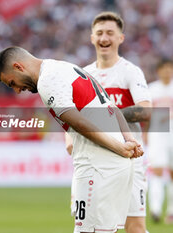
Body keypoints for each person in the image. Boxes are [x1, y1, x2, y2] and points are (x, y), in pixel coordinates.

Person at [0, 46, 143, 233]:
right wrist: (128, 140)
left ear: (18, 67)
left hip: (97, 165)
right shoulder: (64, 67)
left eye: (11, 83)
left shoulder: (47, 80)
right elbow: (111, 107)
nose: (16, 90)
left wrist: (120, 147)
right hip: (115, 164)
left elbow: (78, 122)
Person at [67, 12, 152, 233]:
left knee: (134, 227)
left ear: (120, 38)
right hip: (93, 163)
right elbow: (70, 115)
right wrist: (69, 138)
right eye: (100, 33)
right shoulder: (82, 75)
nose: (105, 38)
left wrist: (108, 115)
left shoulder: (130, 72)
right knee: (92, 227)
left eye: (110, 33)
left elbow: (145, 110)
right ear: (92, 38)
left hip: (129, 160)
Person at [147, 59, 173, 224]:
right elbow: (146, 114)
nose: (167, 71)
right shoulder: (152, 89)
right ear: (158, 70)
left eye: (169, 68)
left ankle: (171, 211)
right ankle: (155, 209)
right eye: (164, 68)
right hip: (157, 132)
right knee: (156, 170)